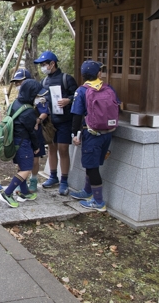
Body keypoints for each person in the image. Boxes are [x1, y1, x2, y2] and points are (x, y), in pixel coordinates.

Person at [70, 60, 119, 211]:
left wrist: (74, 134)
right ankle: (87, 191)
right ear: (99, 74)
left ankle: (98, 202)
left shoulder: (82, 91)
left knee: (92, 168)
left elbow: (77, 115)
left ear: (83, 75)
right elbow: (117, 105)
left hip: (92, 134)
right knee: (93, 164)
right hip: (107, 134)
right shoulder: (108, 87)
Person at [34, 51, 78, 195]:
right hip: (49, 122)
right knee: (51, 149)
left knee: (63, 149)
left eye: (44, 64)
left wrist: (68, 100)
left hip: (65, 121)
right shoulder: (44, 81)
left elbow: (78, 96)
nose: (42, 67)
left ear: (52, 64)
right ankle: (53, 176)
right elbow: (41, 98)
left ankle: (64, 180)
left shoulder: (67, 79)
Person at [0, 79, 42, 208]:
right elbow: (32, 131)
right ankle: (7, 193)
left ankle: (24, 192)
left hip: (14, 141)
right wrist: (36, 146)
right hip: (23, 142)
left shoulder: (15, 103)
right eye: (37, 94)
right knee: (26, 169)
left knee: (22, 166)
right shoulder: (29, 111)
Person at [10, 69, 49, 194]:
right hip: (23, 135)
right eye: (16, 83)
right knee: (23, 160)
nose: (17, 85)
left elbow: (45, 111)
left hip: (34, 131)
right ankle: (20, 186)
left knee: (35, 158)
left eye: (20, 82)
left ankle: (33, 180)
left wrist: (37, 120)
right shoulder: (20, 99)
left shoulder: (38, 95)